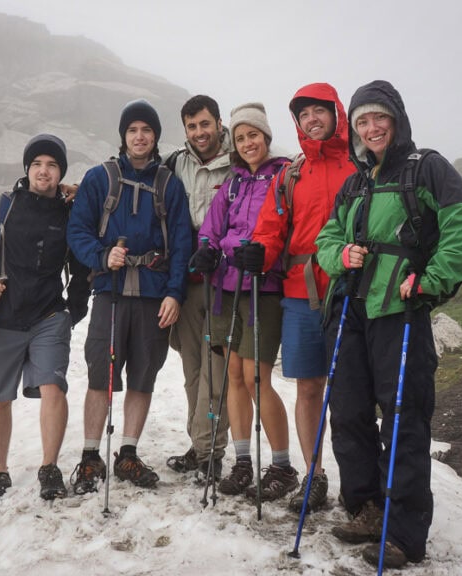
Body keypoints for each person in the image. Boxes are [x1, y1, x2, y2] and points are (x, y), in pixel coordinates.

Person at [315, 80, 462, 568]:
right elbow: (328, 236)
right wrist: (338, 253)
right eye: (362, 122)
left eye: (379, 119)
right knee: (347, 414)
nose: (371, 129)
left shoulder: (427, 168)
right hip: (349, 309)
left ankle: (404, 532)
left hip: (400, 313)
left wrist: (431, 279)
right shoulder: (355, 181)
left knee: (403, 417)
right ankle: (366, 508)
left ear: (396, 119)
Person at [67, 99, 191, 493]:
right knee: (100, 376)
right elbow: (78, 231)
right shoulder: (99, 177)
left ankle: (128, 454)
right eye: (133, 130)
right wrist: (103, 255)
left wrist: (175, 293)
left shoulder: (169, 183)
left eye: (147, 130)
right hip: (110, 292)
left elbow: (183, 243)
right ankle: (90, 456)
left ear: (155, 137)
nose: (140, 137)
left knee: (143, 376)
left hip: (154, 296)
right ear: (123, 135)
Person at [0, 133, 91, 508]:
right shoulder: (1, 207)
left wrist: (74, 311)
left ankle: (49, 467)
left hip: (49, 316)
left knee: (54, 387)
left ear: (60, 173)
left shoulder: (70, 214)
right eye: (37, 164)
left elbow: (82, 269)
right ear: (27, 168)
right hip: (1, 317)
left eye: (52, 165)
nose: (44, 170)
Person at [250, 83, 356, 513]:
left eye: (319, 111)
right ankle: (314, 475)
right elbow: (271, 229)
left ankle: (358, 481)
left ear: (336, 113)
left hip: (352, 293)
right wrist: (256, 253)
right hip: (301, 295)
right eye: (303, 114)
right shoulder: (292, 174)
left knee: (352, 391)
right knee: (309, 388)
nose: (312, 119)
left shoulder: (360, 165)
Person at [192, 102, 296, 501]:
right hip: (225, 287)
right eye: (240, 137)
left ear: (266, 136)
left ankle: (283, 466)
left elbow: (289, 227)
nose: (248, 142)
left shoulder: (285, 175)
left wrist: (268, 256)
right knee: (233, 374)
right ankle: (242, 463)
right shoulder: (232, 183)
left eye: (253, 134)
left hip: (262, 287)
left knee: (256, 378)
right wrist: (206, 251)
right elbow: (212, 229)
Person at [164, 95, 233, 482]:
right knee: (192, 370)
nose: (199, 133)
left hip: (224, 281)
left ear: (219, 123)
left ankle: (211, 451)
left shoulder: (238, 159)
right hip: (188, 282)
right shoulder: (175, 163)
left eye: (205, 124)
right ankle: (201, 445)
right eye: (192, 126)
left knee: (215, 369)